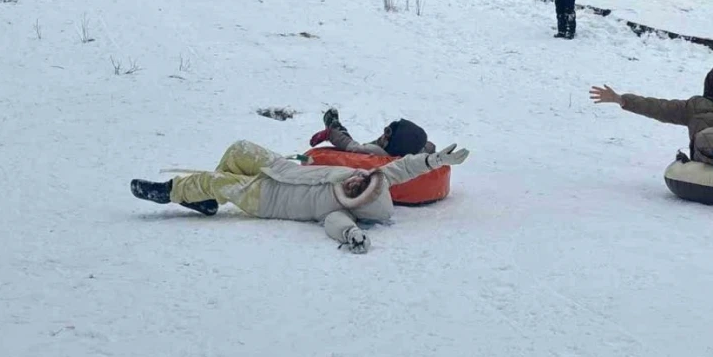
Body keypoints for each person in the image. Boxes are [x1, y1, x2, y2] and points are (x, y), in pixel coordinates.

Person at [130, 140, 470, 254]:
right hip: (283, 169)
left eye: (357, 189)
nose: (356, 181)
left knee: (213, 180)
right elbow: (401, 169)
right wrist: (436, 160)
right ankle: (208, 202)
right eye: (362, 180)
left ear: (356, 203)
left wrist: (351, 235)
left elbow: (336, 225)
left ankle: (171, 192)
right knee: (240, 149)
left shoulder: (339, 213)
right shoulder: (373, 179)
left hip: (267, 196)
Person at [309, 109, 437, 155]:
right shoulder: (417, 149)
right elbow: (429, 147)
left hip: (380, 150)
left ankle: (335, 125)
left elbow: (352, 146)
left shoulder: (376, 152)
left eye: (387, 134)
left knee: (358, 147)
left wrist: (330, 133)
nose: (383, 135)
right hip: (400, 147)